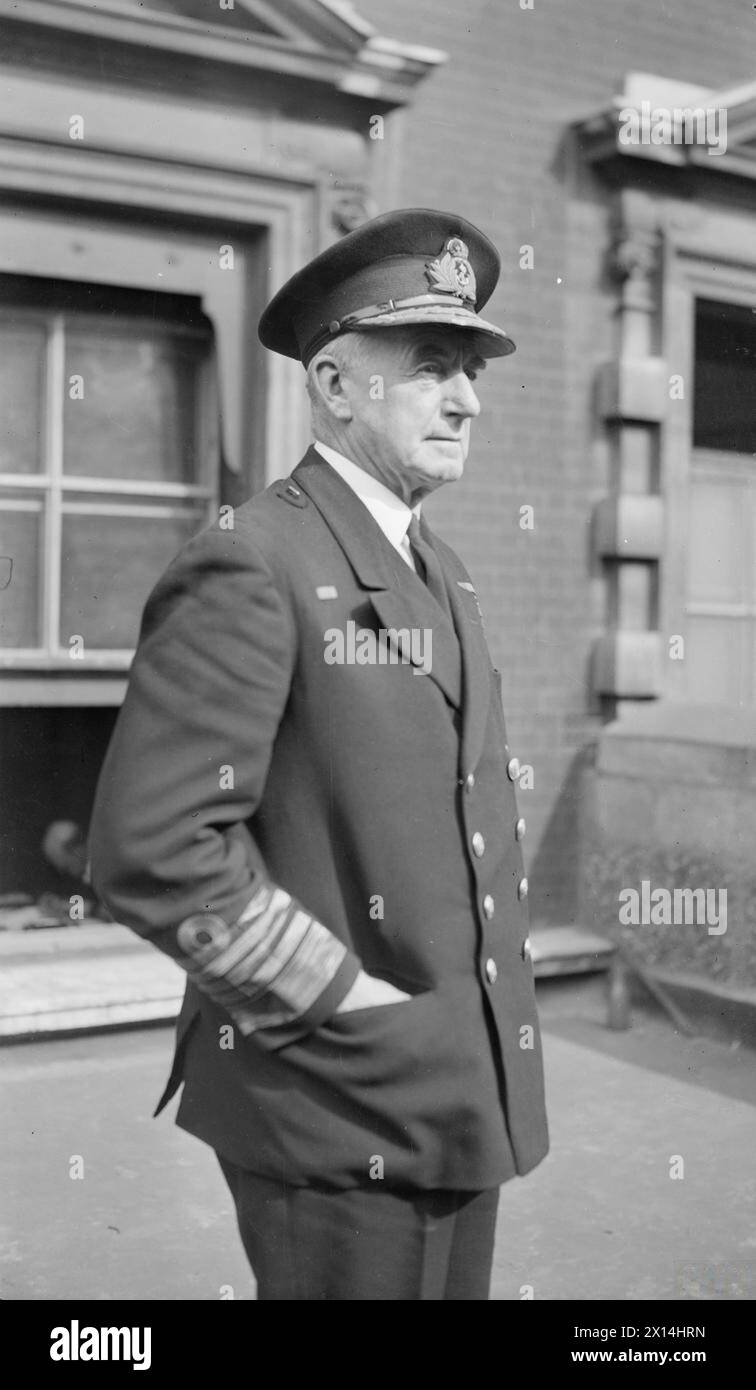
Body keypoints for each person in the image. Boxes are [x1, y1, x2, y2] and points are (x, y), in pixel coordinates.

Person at [89, 207, 549, 1301]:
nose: (467, 397)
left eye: (472, 368)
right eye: (433, 365)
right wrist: (345, 1002)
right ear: (336, 385)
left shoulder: (440, 566)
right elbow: (153, 847)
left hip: (454, 1090)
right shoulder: (256, 562)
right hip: (338, 1108)